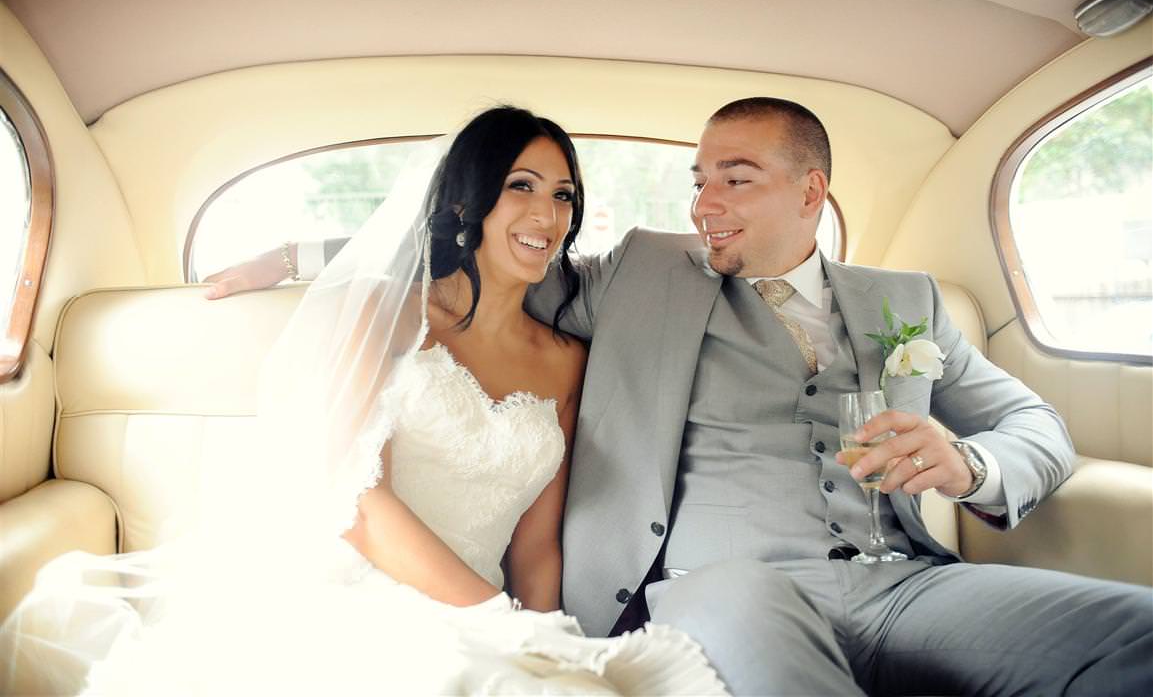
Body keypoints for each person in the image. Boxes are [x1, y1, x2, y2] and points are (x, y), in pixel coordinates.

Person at [206, 98, 1152, 696]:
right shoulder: (643, 272)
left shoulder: (906, 302)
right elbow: (489, 254)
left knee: (1129, 635)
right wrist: (299, 257)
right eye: (697, 182)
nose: (703, 203)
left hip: (900, 582)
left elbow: (1037, 423)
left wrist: (971, 461)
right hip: (716, 585)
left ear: (810, 190)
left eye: (734, 180)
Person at [1, 107, 725, 696]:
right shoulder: (383, 315)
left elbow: (536, 547)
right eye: (521, 186)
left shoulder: (569, 361)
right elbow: (357, 501)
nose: (547, 212)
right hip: (352, 587)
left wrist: (547, 640)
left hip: (494, 608)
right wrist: (494, 621)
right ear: (465, 203)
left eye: (563, 194)